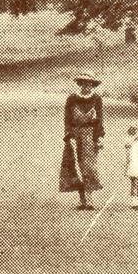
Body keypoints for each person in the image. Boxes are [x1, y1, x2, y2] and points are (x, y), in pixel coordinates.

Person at [59, 74, 105, 210]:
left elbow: (100, 120)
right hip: (75, 136)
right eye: (84, 84)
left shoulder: (97, 99)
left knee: (88, 166)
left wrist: (99, 137)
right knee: (75, 166)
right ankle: (82, 200)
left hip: (90, 136)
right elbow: (67, 120)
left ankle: (89, 199)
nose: (86, 87)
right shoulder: (72, 99)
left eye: (89, 84)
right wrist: (70, 135)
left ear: (93, 85)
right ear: (80, 84)